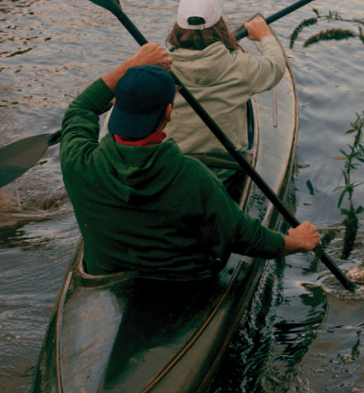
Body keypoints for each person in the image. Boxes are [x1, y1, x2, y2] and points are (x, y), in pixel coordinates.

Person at [60, 43, 319, 279]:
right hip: (182, 285)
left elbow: (81, 108)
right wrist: (295, 242)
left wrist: (131, 64)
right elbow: (242, 236)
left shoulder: (78, 161)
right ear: (168, 113)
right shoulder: (191, 176)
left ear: (115, 105)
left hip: (106, 277)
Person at [167, 0, 286, 184]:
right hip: (224, 176)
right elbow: (276, 66)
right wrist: (266, 36)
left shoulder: (159, 68)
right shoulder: (241, 66)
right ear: (220, 25)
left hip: (173, 174)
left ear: (177, 28)